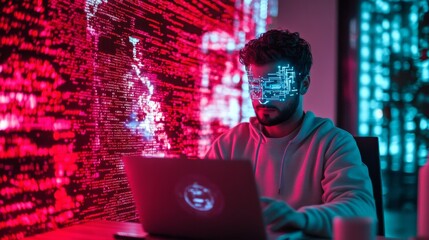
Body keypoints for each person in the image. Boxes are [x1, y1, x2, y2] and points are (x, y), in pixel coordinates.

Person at [204, 29, 377, 238]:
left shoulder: (333, 143)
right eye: (256, 86)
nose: (263, 99)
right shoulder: (228, 145)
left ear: (303, 85)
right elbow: (201, 203)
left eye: (275, 86)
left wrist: (300, 220)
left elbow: (361, 211)